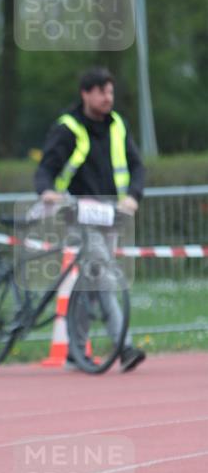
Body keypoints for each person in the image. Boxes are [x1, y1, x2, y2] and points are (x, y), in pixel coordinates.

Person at [34, 66, 146, 372]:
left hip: (111, 215)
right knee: (103, 273)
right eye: (101, 92)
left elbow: (137, 166)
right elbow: (46, 168)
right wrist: (47, 192)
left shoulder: (118, 125)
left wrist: (133, 196)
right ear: (86, 94)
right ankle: (124, 347)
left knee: (91, 282)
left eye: (110, 91)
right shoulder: (68, 127)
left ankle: (74, 350)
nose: (108, 97)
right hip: (78, 214)